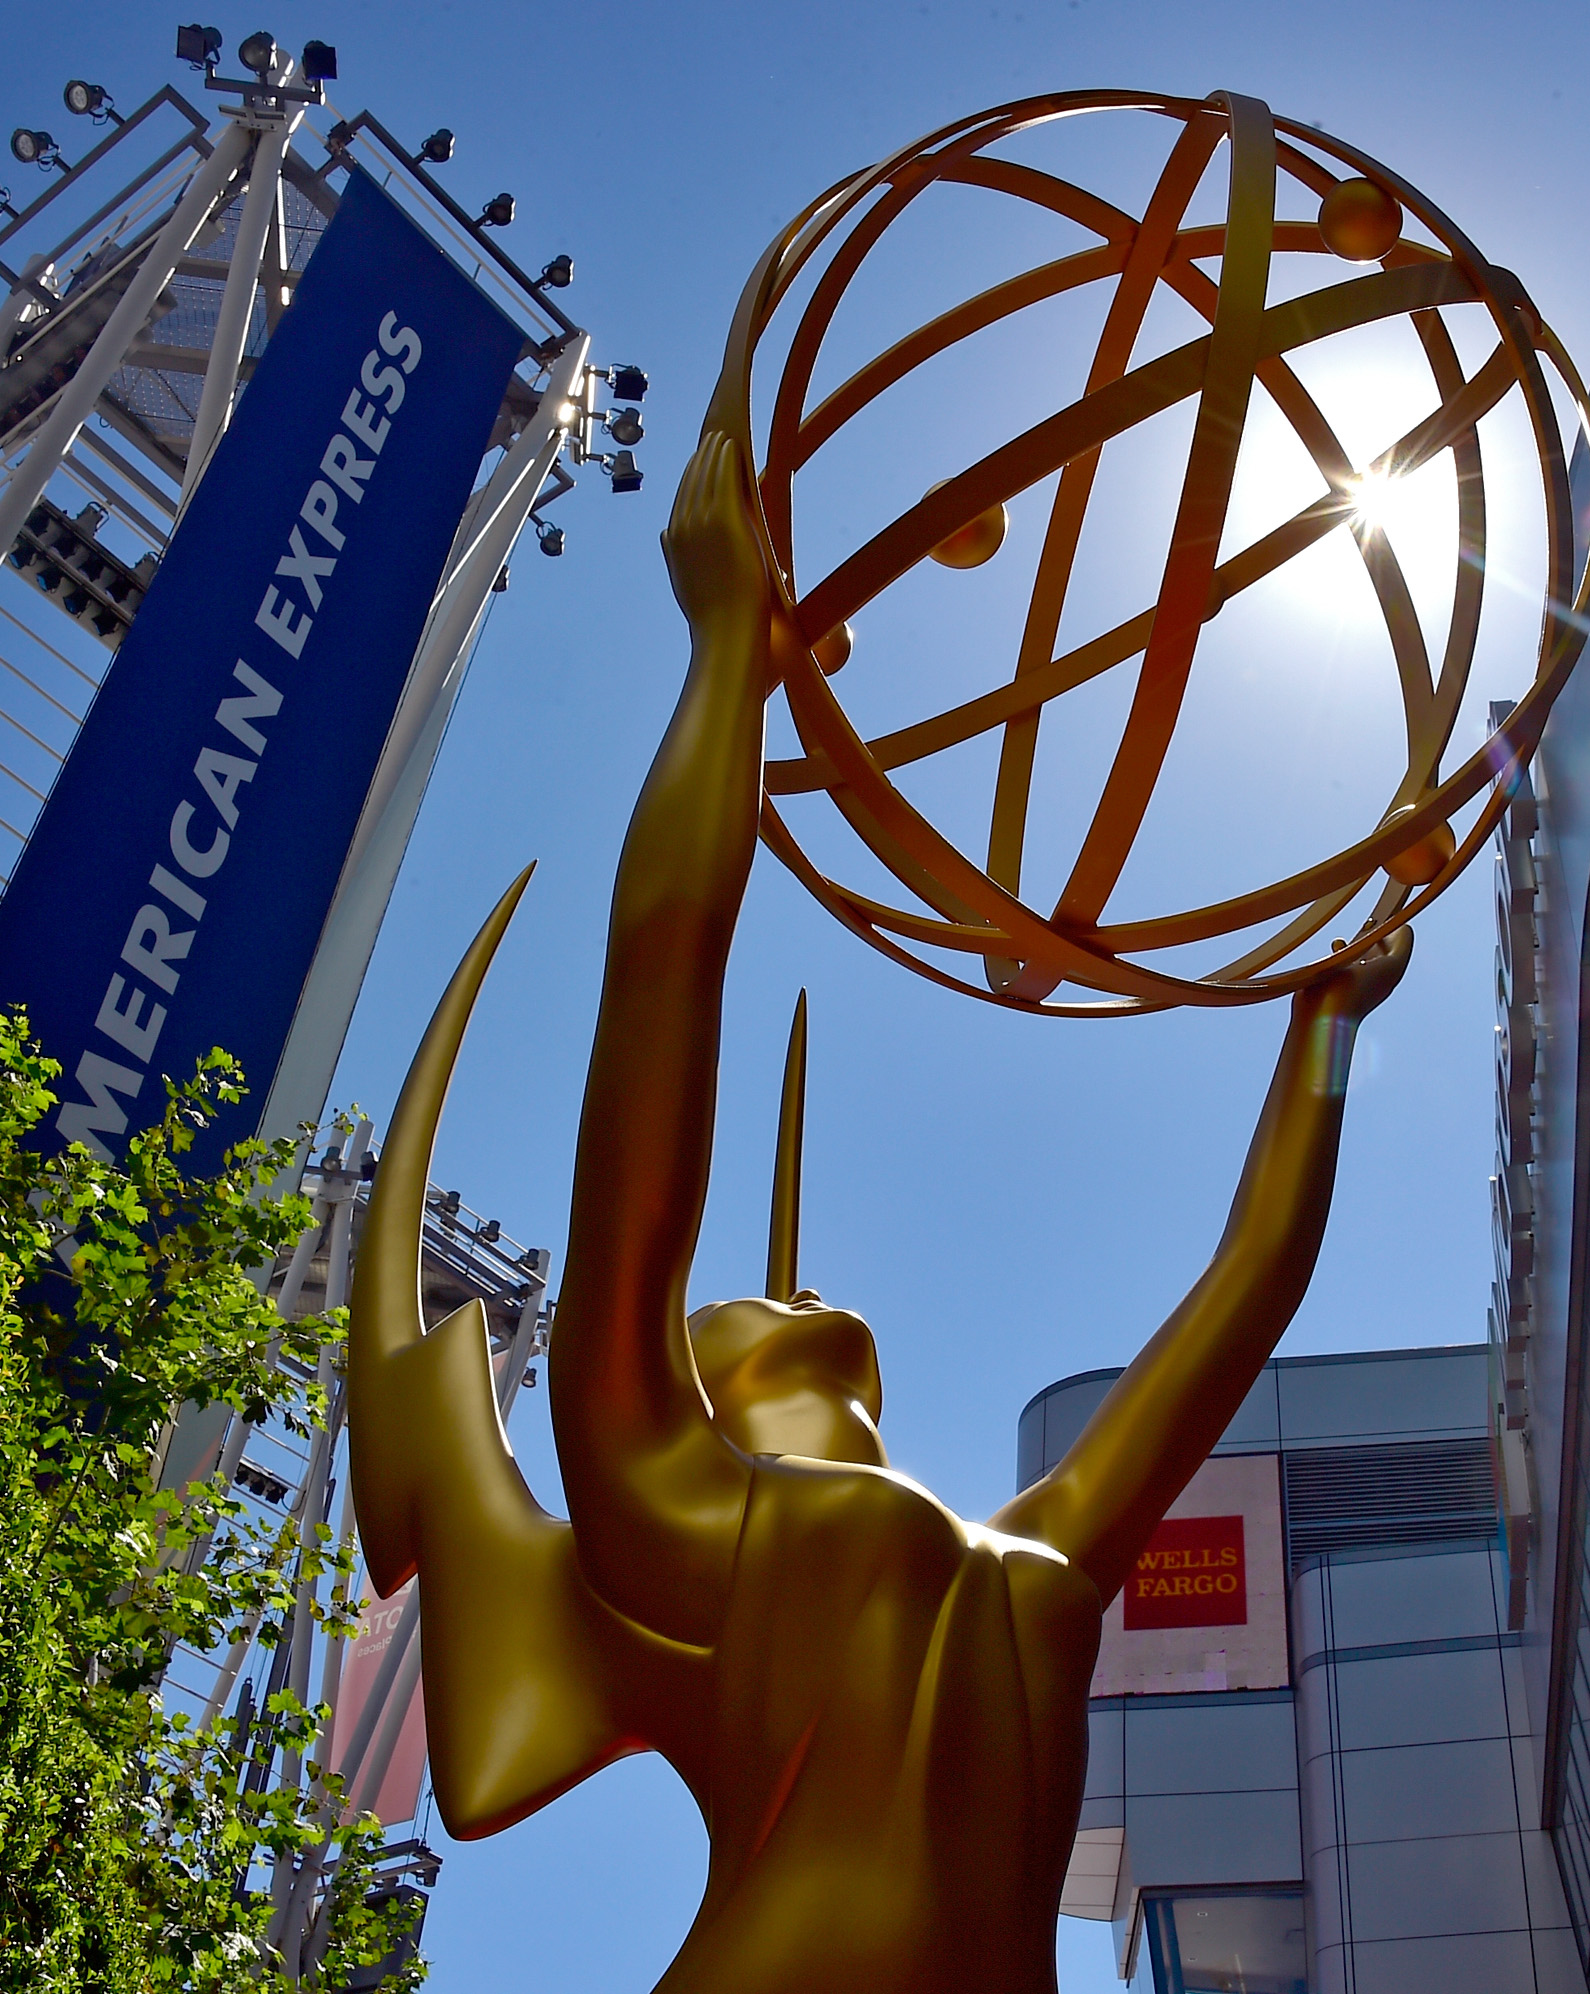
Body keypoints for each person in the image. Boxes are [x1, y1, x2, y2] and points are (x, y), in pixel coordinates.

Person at [347, 427, 1407, 1994]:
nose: (794, 1288)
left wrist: (1324, 1033)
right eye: (744, 1306)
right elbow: (660, 977)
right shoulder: (665, 1498)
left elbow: (1251, 1283)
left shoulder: (1032, 1547)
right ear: (696, 1370)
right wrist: (722, 665)